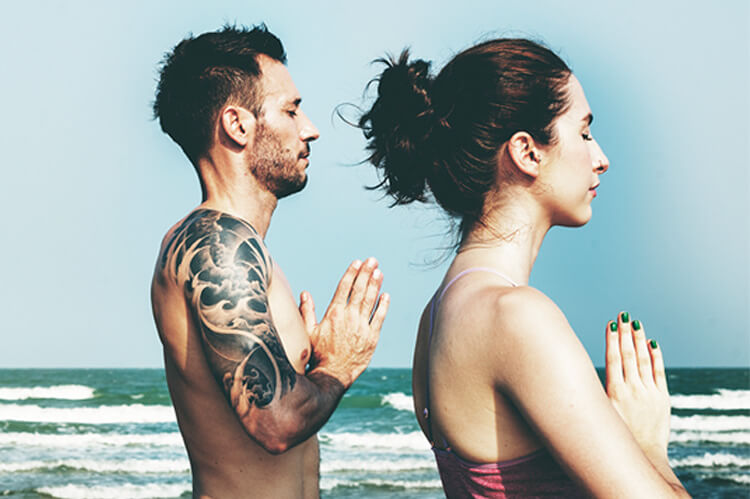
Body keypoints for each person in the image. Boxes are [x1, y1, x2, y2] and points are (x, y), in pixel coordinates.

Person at [358, 40, 690, 497]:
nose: (601, 158)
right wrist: (649, 447)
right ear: (527, 152)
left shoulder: (433, 320)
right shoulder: (516, 316)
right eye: (584, 133)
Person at [150, 25, 389, 498]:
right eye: (291, 110)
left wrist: (313, 365)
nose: (309, 129)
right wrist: (339, 366)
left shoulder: (244, 248)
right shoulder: (216, 245)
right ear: (237, 125)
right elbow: (276, 423)